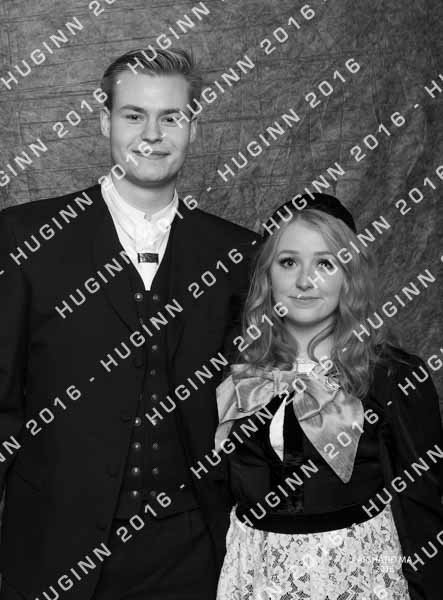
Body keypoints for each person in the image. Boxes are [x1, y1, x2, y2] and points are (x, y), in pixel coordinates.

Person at [0, 48, 259, 600]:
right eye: (134, 115)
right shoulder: (26, 239)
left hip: (194, 551)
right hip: (54, 548)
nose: (153, 134)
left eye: (171, 117)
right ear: (104, 121)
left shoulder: (237, 253)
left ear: (193, 126)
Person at [215, 193, 443, 600]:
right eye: (289, 262)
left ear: (349, 275)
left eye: (325, 263)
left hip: (358, 580)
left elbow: (422, 507)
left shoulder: (393, 376)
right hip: (253, 579)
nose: (305, 281)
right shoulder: (238, 373)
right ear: (266, 275)